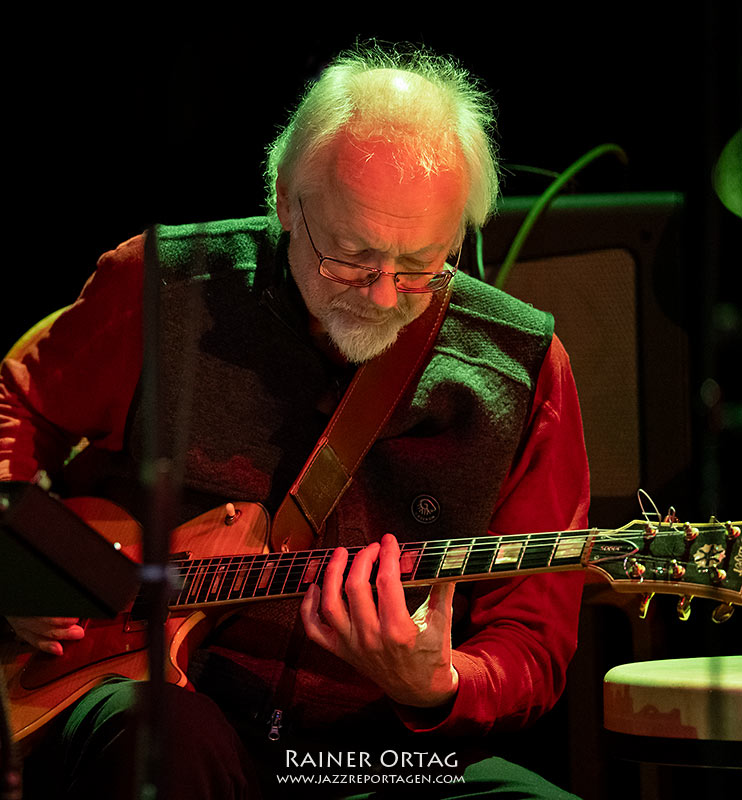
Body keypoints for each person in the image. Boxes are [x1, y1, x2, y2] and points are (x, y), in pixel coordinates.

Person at [0, 43, 589, 798]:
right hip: (152, 701)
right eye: (351, 257)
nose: (383, 297)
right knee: (167, 739)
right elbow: (16, 404)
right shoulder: (162, 284)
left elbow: (530, 643)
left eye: (420, 267)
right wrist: (27, 562)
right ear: (285, 198)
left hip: (368, 756)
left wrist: (437, 683)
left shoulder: (527, 369)